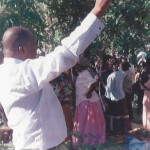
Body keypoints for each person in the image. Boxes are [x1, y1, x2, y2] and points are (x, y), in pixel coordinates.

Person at [0, 0, 111, 149]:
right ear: (21, 49)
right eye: (34, 46)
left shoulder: (6, 73)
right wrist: (98, 10)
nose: (36, 51)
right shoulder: (21, 72)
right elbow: (64, 55)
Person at [72, 57, 106, 147]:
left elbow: (94, 83)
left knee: (87, 122)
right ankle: (86, 141)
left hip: (87, 102)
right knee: (86, 122)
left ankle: (88, 141)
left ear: (82, 66)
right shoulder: (81, 74)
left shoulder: (85, 73)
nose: (75, 67)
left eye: (77, 65)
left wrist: (88, 93)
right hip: (84, 101)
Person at [102, 59, 131, 134]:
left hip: (114, 99)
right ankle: (122, 131)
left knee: (114, 116)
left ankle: (114, 132)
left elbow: (108, 89)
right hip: (122, 96)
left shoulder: (112, 76)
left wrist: (101, 82)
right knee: (122, 115)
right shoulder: (122, 74)